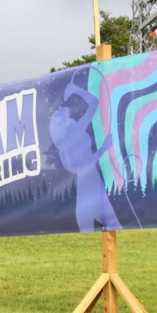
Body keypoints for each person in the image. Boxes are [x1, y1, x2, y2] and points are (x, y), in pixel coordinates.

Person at [49, 68, 121, 231]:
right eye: (61, 114)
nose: (65, 111)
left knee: (107, 221)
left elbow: (94, 103)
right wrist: (103, 148)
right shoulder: (67, 141)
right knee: (86, 223)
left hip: (93, 179)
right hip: (86, 182)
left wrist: (76, 90)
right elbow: (75, 167)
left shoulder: (76, 129)